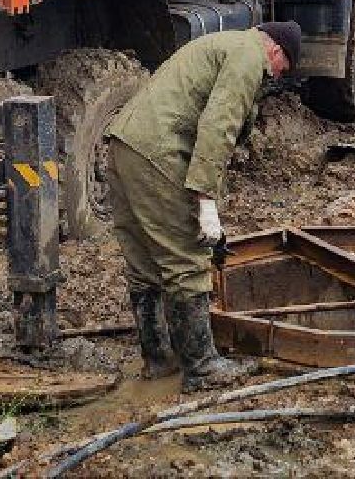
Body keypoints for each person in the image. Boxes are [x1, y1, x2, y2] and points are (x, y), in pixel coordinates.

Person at [105, 20, 301, 389]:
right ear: (275, 51)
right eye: (281, 69)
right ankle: (202, 368)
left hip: (125, 145)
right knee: (186, 259)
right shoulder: (248, 56)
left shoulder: (223, 44)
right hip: (157, 152)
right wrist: (206, 201)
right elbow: (218, 127)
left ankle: (159, 359)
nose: (276, 77)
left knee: (144, 263)